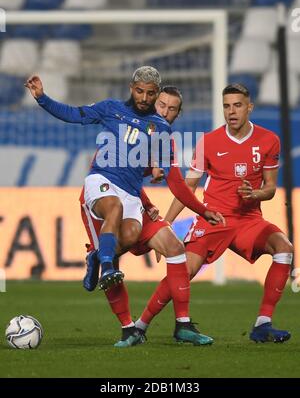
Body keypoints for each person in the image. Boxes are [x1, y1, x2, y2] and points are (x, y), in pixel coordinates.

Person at [135, 83, 293, 344]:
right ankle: (140, 326)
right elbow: (188, 188)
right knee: (184, 270)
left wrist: (256, 195)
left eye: (237, 105)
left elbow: (271, 188)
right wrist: (166, 223)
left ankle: (263, 324)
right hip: (213, 219)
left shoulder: (268, 140)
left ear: (249, 107)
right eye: (227, 106)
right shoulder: (208, 141)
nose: (231, 111)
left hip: (248, 221)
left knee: (284, 248)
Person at [80, 86, 225, 346]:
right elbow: (114, 174)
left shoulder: (163, 139)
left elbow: (174, 183)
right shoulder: (128, 128)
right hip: (104, 194)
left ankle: (183, 325)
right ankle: (128, 328)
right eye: (161, 105)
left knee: (174, 246)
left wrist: (152, 204)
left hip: (135, 201)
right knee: (110, 258)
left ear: (177, 114)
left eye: (171, 109)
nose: (165, 112)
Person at [25, 66, 173, 294]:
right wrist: (42, 98)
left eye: (150, 93)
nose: (144, 98)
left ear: (157, 93)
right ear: (131, 88)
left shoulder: (161, 126)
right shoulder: (110, 108)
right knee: (114, 208)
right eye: (140, 91)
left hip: (131, 191)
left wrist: (159, 170)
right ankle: (106, 267)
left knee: (131, 236)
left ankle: (95, 256)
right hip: (102, 178)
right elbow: (74, 114)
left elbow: (164, 160)